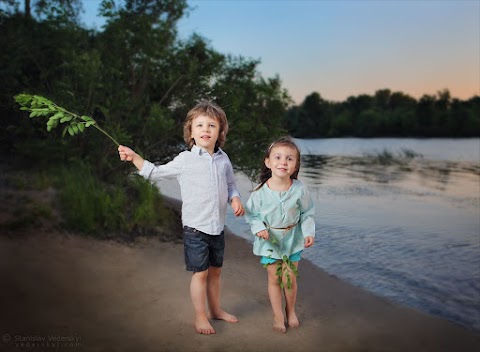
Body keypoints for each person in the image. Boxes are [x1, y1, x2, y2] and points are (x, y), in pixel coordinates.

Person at [118, 101, 245, 335]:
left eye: (211, 125)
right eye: (199, 125)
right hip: (196, 228)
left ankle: (216, 309)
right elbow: (155, 172)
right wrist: (135, 158)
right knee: (201, 272)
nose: (205, 129)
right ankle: (200, 316)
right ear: (191, 132)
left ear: (220, 132)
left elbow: (230, 185)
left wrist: (235, 199)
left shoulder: (223, 159)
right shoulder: (185, 160)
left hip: (217, 227)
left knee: (216, 271)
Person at [245, 137, 315, 333]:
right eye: (278, 157)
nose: (283, 162)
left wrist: (308, 231)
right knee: (275, 279)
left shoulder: (299, 190)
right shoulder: (259, 193)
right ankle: (278, 316)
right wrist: (258, 227)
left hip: (292, 239)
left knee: (289, 278)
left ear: (295, 166)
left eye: (289, 159)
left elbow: (308, 212)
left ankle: (290, 310)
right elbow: (251, 214)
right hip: (269, 240)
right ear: (268, 162)